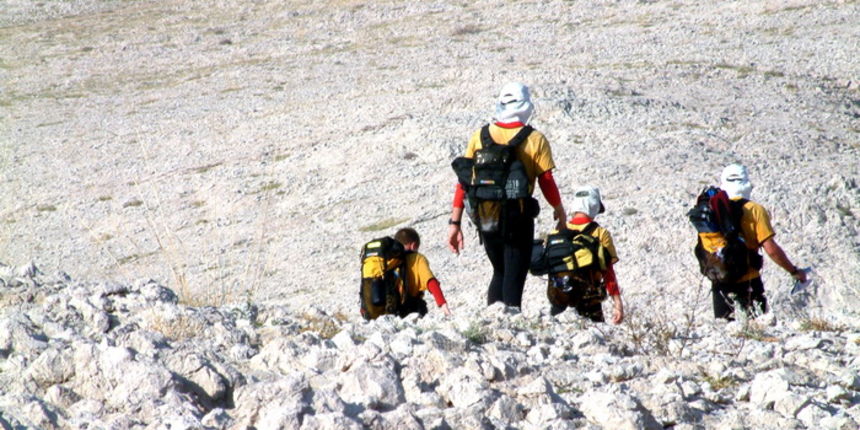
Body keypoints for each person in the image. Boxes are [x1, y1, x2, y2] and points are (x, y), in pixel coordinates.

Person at [447, 82, 567, 308]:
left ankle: (493, 323)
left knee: (499, 271)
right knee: (514, 275)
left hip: (486, 217)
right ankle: (510, 325)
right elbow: (547, 181)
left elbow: (463, 183)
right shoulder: (535, 139)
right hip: (518, 218)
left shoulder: (479, 135)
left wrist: (455, 223)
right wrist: (560, 212)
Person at [710, 163, 808, 320]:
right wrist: (794, 271)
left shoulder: (712, 211)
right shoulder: (755, 210)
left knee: (726, 334)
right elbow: (771, 249)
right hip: (749, 280)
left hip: (720, 281)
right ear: (747, 183)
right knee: (759, 326)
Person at [555, 185, 624, 324]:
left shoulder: (558, 232)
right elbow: (608, 271)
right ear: (594, 206)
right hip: (589, 299)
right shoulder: (600, 233)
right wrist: (618, 304)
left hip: (559, 298)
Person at [394, 228, 452, 317]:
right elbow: (430, 281)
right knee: (421, 305)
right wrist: (443, 304)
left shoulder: (388, 260)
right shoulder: (418, 259)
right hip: (408, 307)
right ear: (413, 246)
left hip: (386, 308)